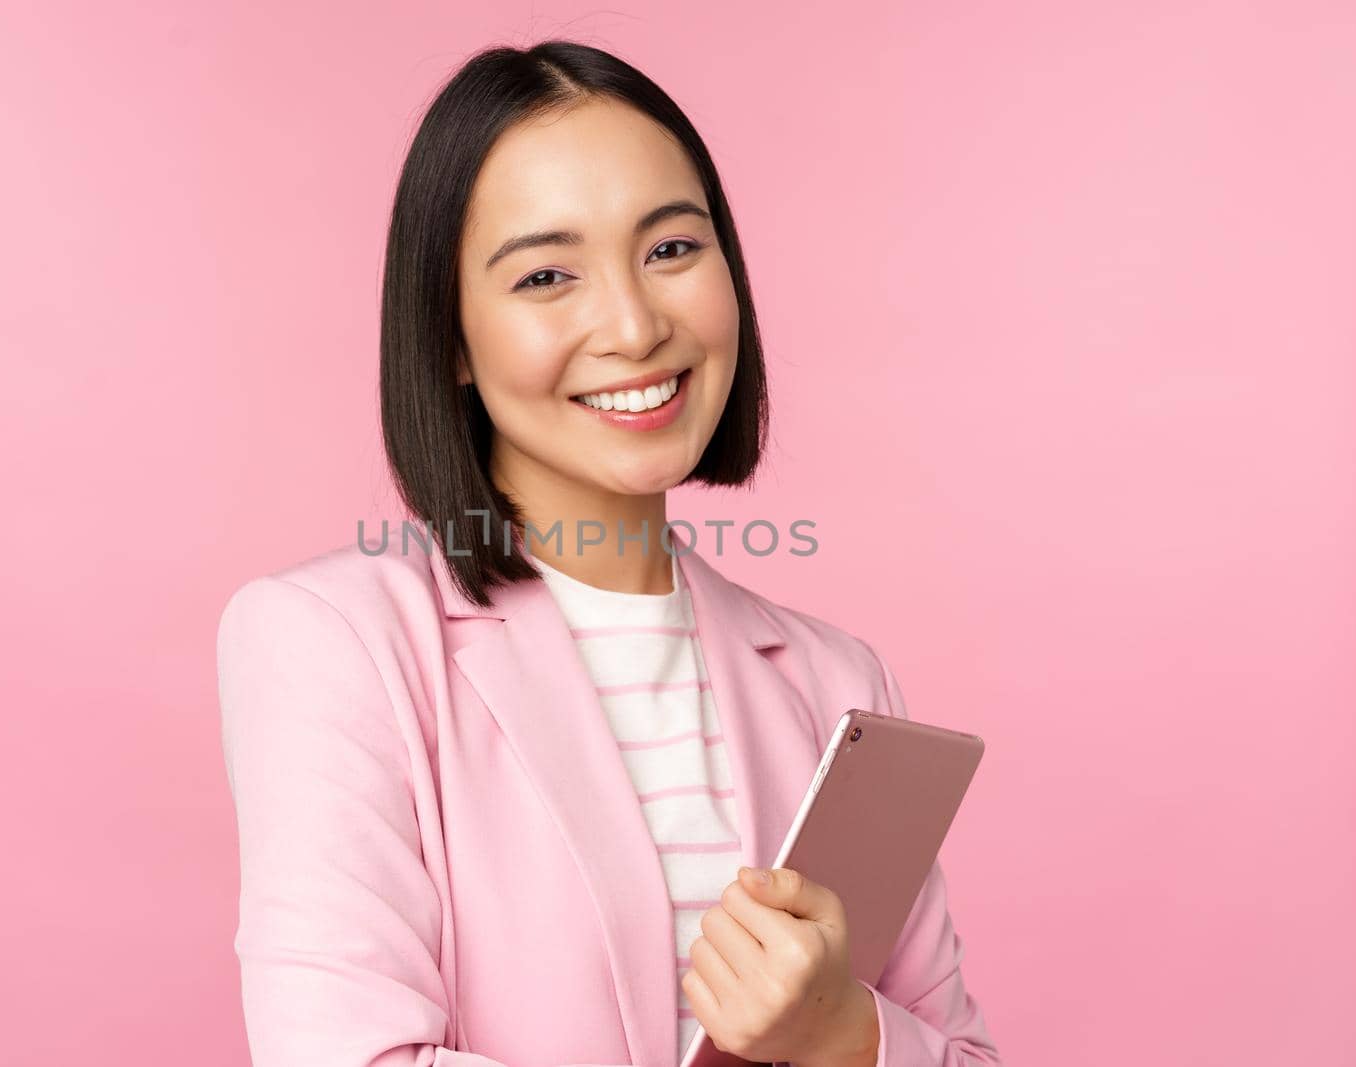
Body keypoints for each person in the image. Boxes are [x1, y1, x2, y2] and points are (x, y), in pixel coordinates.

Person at [216, 40, 1002, 1067]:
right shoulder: (333, 643)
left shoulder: (835, 680)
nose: (633, 325)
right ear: (450, 335)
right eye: (546, 274)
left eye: (672, 249)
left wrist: (841, 1033)